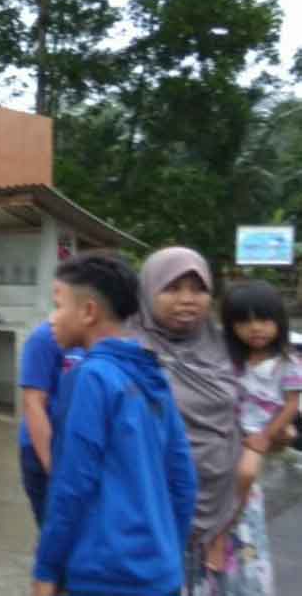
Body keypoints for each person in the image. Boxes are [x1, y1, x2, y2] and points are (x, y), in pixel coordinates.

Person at [32, 253, 197, 596]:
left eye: (58, 305)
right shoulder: (153, 373)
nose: (51, 320)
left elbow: (72, 483)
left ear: (88, 311)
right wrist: (169, 553)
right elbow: (183, 480)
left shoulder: (89, 378)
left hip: (104, 575)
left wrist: (47, 569)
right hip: (161, 574)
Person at [130, 247, 278, 596]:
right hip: (158, 506)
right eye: (172, 288)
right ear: (148, 290)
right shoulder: (126, 349)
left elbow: (263, 410)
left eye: (198, 289)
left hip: (232, 506)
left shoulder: (229, 346)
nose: (187, 300)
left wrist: (270, 438)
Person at [209, 281, 301, 570]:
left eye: (263, 319)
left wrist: (265, 436)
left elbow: (290, 406)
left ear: (278, 322)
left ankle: (221, 534)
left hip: (258, 432)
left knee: (246, 474)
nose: (255, 328)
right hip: (228, 430)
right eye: (244, 322)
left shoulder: (288, 363)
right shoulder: (233, 359)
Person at [18, 320, 84, 526]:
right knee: (55, 529)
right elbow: (33, 403)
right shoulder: (45, 338)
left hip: (82, 449)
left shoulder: (105, 341)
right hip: (43, 449)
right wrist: (53, 470)